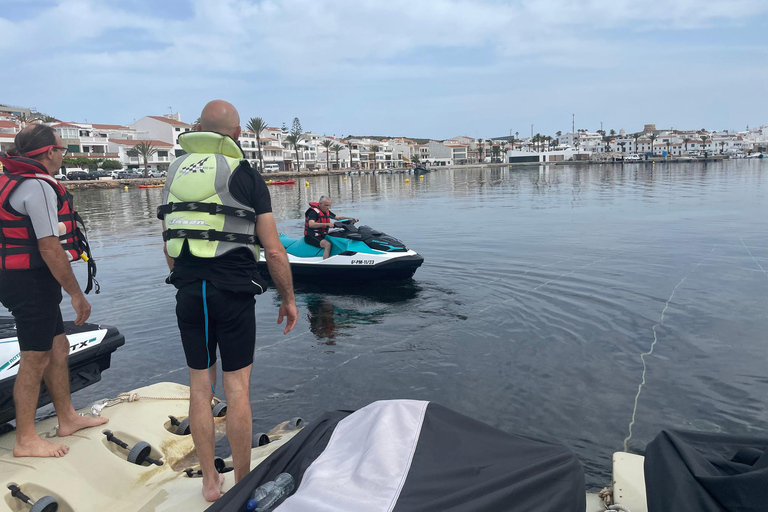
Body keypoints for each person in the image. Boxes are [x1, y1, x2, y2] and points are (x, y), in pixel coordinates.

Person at [158, 99, 298, 502]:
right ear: (236, 134)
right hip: (233, 293)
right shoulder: (245, 173)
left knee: (200, 387)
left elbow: (168, 239)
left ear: (199, 128)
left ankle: (208, 483)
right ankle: (241, 479)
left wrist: (183, 276)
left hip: (188, 292)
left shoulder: (173, 172)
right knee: (237, 388)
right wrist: (288, 299)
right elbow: (273, 250)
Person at [0, 124, 105, 459]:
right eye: (61, 150)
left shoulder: (8, 181)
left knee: (57, 346)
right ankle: (26, 439)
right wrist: (76, 293)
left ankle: (67, 418)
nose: (62, 156)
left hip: (11, 276)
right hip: (30, 282)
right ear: (48, 152)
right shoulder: (37, 186)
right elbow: (49, 248)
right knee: (35, 357)